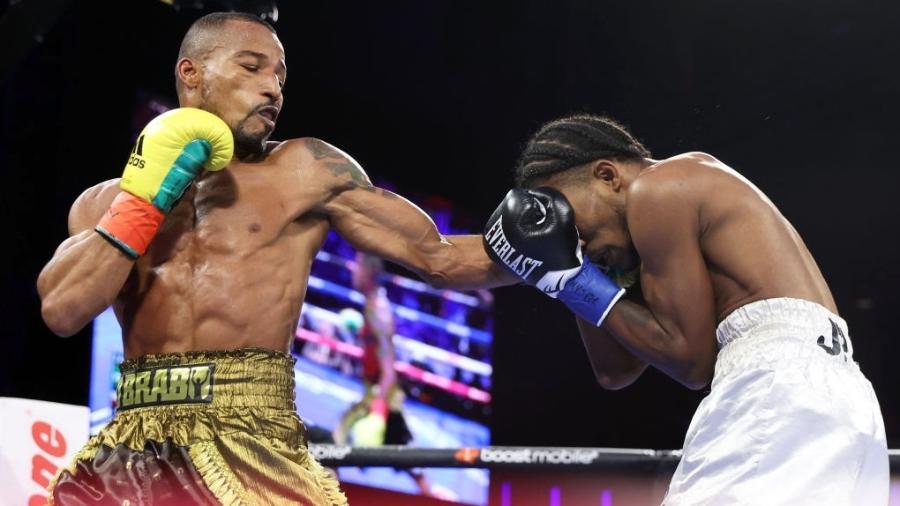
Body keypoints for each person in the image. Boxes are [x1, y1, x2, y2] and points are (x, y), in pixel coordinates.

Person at [36, 12, 508, 505]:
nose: (273, 89)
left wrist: (554, 252)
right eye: (252, 67)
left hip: (254, 440)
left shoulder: (305, 171)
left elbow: (440, 256)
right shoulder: (101, 203)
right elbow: (62, 310)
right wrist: (144, 200)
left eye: (280, 75)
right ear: (191, 73)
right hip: (128, 451)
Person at [483, 114, 888, 505]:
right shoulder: (670, 218)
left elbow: (690, 363)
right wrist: (569, 275)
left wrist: (574, 278)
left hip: (778, 391)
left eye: (571, 222)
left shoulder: (658, 188)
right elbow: (615, 371)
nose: (577, 241)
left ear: (607, 176)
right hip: (844, 403)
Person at [332, 253, 433, 497]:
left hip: (383, 394)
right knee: (408, 461)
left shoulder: (379, 310)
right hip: (378, 390)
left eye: (356, 266)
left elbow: (389, 366)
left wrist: (377, 409)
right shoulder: (370, 305)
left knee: (337, 441)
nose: (351, 269)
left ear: (368, 273)